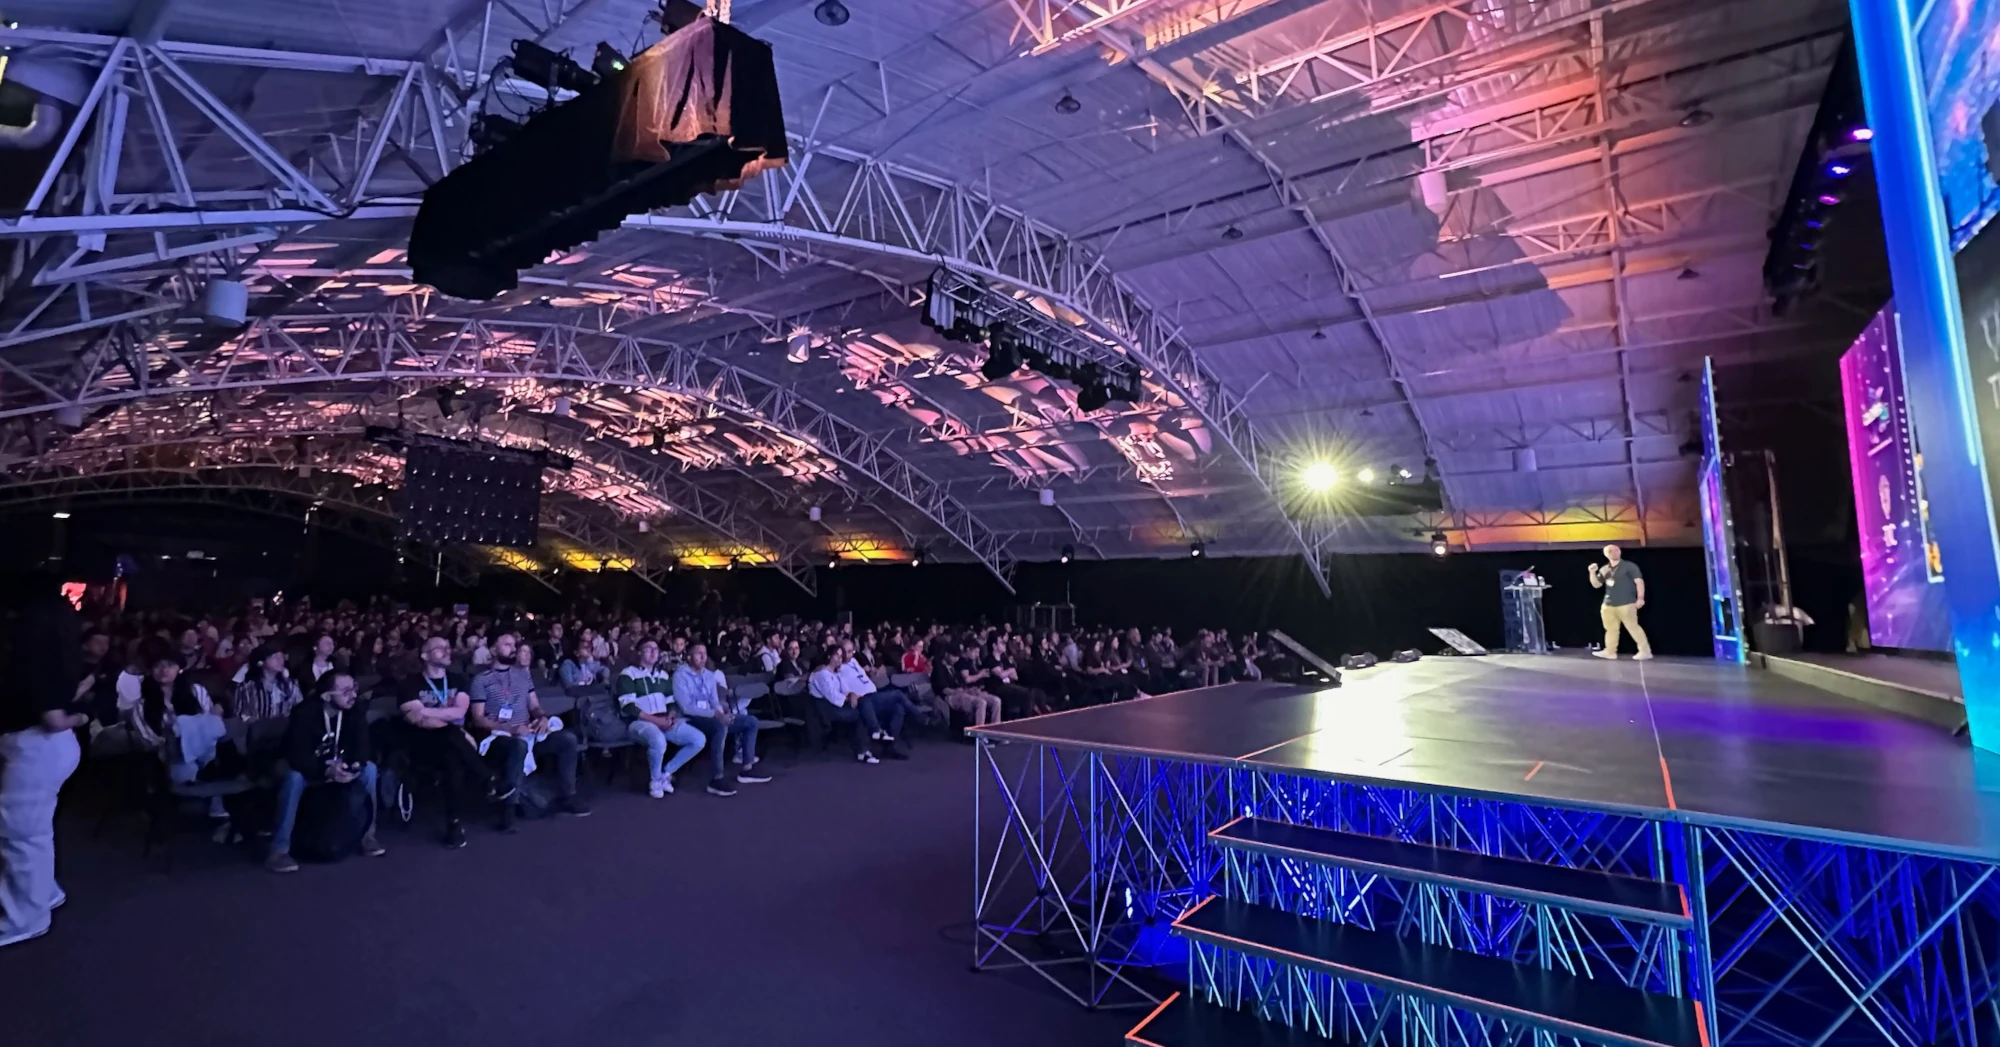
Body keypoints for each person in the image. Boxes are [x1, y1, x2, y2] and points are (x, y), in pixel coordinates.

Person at [0, 578, 88, 948]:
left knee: (22, 837)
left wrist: (78, 720)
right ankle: (43, 893)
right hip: (52, 748)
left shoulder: (30, 654)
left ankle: (27, 919)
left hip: (37, 747)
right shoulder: (60, 652)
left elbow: (52, 716)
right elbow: (78, 688)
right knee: (32, 833)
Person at [267, 672, 384, 873]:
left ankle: (367, 835)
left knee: (370, 769)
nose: (353, 695)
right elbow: (297, 755)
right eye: (345, 691)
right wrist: (326, 770)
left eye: (354, 688)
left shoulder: (354, 711)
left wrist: (353, 766)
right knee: (294, 778)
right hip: (309, 767)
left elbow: (363, 747)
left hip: (340, 765)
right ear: (327, 696)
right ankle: (279, 850)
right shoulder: (304, 714)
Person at [470, 633, 588, 827]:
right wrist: (510, 727)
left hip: (528, 732)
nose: (512, 648)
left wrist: (542, 717)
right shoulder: (481, 680)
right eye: (506, 644)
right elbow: (478, 718)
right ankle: (508, 810)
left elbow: (534, 705)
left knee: (567, 739)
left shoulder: (523, 676)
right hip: (499, 736)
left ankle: (569, 796)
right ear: (492, 650)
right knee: (517, 746)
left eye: (513, 644)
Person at [393, 636, 495, 848]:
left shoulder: (459, 679)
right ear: (425, 655)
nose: (447, 650)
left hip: (451, 745)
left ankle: (454, 824)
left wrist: (426, 711)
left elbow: (459, 710)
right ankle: (485, 776)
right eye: (440, 648)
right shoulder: (409, 684)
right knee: (451, 735)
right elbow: (417, 720)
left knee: (453, 760)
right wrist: (451, 724)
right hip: (421, 745)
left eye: (448, 647)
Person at [671, 644, 772, 796]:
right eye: (698, 653)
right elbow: (686, 707)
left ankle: (747, 769)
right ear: (689, 657)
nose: (703, 656)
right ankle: (716, 779)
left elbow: (714, 702)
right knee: (721, 725)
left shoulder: (709, 676)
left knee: (750, 721)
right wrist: (716, 715)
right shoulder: (680, 676)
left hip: (712, 715)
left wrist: (723, 713)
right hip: (690, 719)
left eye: (705, 653)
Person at [616, 639, 706, 798]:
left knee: (698, 739)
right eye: (648, 648)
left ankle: (666, 773)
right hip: (638, 723)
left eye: (656, 649)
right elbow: (628, 707)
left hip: (663, 720)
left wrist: (670, 717)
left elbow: (671, 702)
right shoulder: (628, 674)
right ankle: (655, 781)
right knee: (658, 740)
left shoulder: (663, 675)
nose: (653, 652)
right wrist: (657, 721)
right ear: (639, 652)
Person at [808, 650, 886, 764]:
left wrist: (851, 695)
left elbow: (844, 690)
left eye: (841, 656)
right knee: (860, 713)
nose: (840, 658)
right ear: (830, 657)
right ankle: (864, 749)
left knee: (862, 706)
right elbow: (833, 697)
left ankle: (869, 741)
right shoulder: (822, 674)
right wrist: (849, 698)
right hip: (827, 709)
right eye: (837, 655)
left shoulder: (835, 673)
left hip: (837, 705)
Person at [836, 640, 910, 753]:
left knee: (898, 708)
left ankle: (890, 744)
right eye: (848, 651)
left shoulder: (854, 661)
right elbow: (844, 689)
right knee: (898, 695)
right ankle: (921, 717)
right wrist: (852, 695)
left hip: (873, 694)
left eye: (852, 651)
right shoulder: (839, 669)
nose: (851, 654)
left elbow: (864, 678)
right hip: (864, 700)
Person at [1589, 544, 1652, 660]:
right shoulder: (1605, 569)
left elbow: (1639, 582)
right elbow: (1596, 585)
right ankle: (1610, 652)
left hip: (1626, 603)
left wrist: (1640, 598)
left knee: (1633, 627)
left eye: (1617, 550)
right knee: (1611, 629)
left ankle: (1645, 651)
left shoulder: (1629, 566)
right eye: (1611, 551)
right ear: (1606, 554)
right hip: (1608, 604)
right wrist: (1592, 573)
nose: (1615, 552)